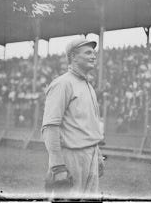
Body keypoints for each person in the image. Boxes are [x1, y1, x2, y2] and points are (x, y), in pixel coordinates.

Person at [41, 37, 105, 198]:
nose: (93, 56)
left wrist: (97, 154)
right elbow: (50, 127)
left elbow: (89, 126)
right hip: (71, 157)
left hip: (90, 155)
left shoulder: (88, 86)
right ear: (73, 57)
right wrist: (57, 166)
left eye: (94, 52)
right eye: (88, 52)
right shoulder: (62, 84)